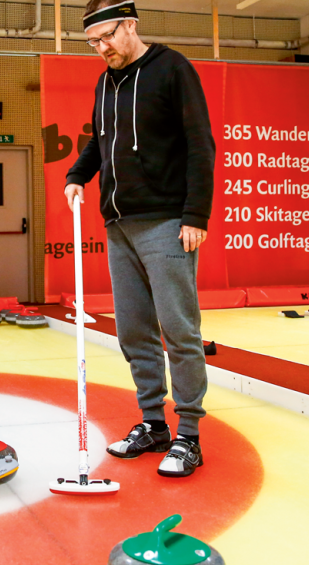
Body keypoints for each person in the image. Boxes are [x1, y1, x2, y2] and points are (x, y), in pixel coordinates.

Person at [63, 0, 216, 477]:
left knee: (179, 331)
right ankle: (153, 423)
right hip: (120, 225)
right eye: (92, 42)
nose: (101, 48)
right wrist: (77, 175)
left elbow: (200, 142)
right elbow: (99, 139)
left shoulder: (173, 69)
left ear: (130, 24)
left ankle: (188, 434)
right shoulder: (105, 81)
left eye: (107, 37)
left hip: (168, 220)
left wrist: (195, 214)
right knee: (133, 332)